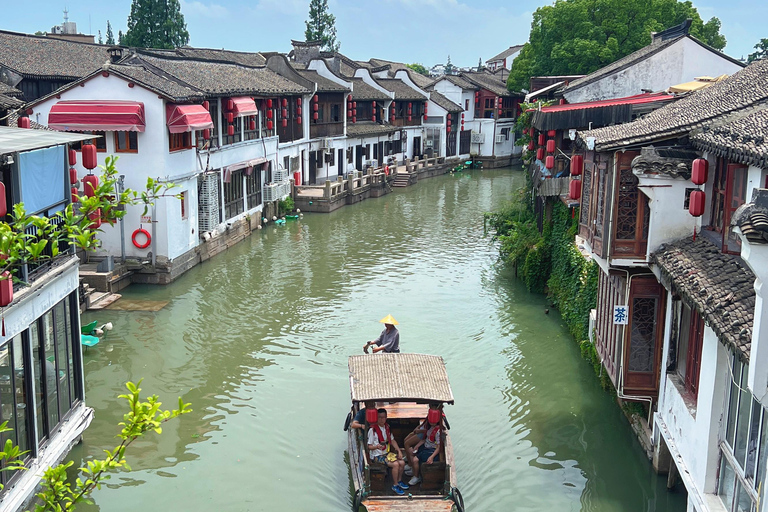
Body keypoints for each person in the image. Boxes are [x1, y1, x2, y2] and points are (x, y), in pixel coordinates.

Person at [367, 408, 409, 495]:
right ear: (376, 418)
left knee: (402, 462)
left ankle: (399, 480)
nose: (381, 420)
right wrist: (376, 446)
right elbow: (369, 446)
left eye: (383, 417)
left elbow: (392, 440)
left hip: (387, 453)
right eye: (379, 417)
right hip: (377, 456)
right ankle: (395, 485)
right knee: (395, 464)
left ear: (386, 418)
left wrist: (399, 451)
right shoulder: (372, 430)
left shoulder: (387, 427)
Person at [405, 411, 441, 486]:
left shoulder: (438, 432)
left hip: (431, 450)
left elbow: (438, 447)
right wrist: (417, 446)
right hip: (425, 446)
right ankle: (414, 470)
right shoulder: (431, 428)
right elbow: (425, 439)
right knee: (411, 451)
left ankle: (416, 477)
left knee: (415, 459)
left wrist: (431, 457)